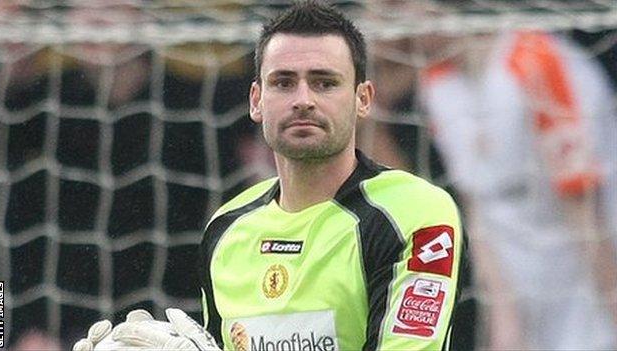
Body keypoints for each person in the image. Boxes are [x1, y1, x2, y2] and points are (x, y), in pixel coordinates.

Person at [74, 1, 465, 350]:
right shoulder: (226, 227)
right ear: (256, 101)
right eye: (283, 82)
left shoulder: (414, 212)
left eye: (324, 82)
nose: (303, 99)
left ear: (363, 99)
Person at [419, 29, 617, 349]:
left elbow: (587, 217)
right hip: (523, 283)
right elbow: (477, 215)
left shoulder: (535, 59)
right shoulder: (436, 81)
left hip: (585, 279)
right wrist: (505, 330)